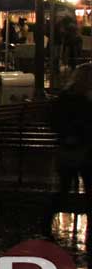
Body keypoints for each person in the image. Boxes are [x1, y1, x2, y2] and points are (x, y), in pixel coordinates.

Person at [45, 64, 92, 233]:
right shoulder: (83, 100)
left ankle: (46, 221)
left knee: (64, 188)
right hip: (82, 149)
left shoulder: (65, 98)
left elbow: (54, 120)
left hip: (69, 148)